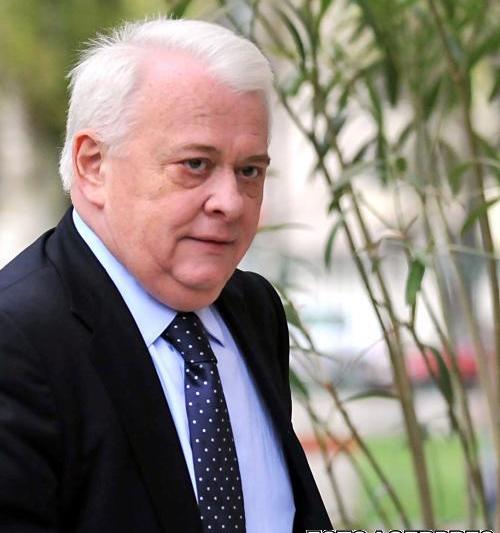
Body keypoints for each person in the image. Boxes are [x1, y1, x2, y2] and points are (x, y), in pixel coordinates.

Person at [0, 18, 332, 533]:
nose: (230, 202)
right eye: (196, 164)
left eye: (249, 171)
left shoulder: (253, 309)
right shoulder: (18, 340)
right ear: (93, 165)